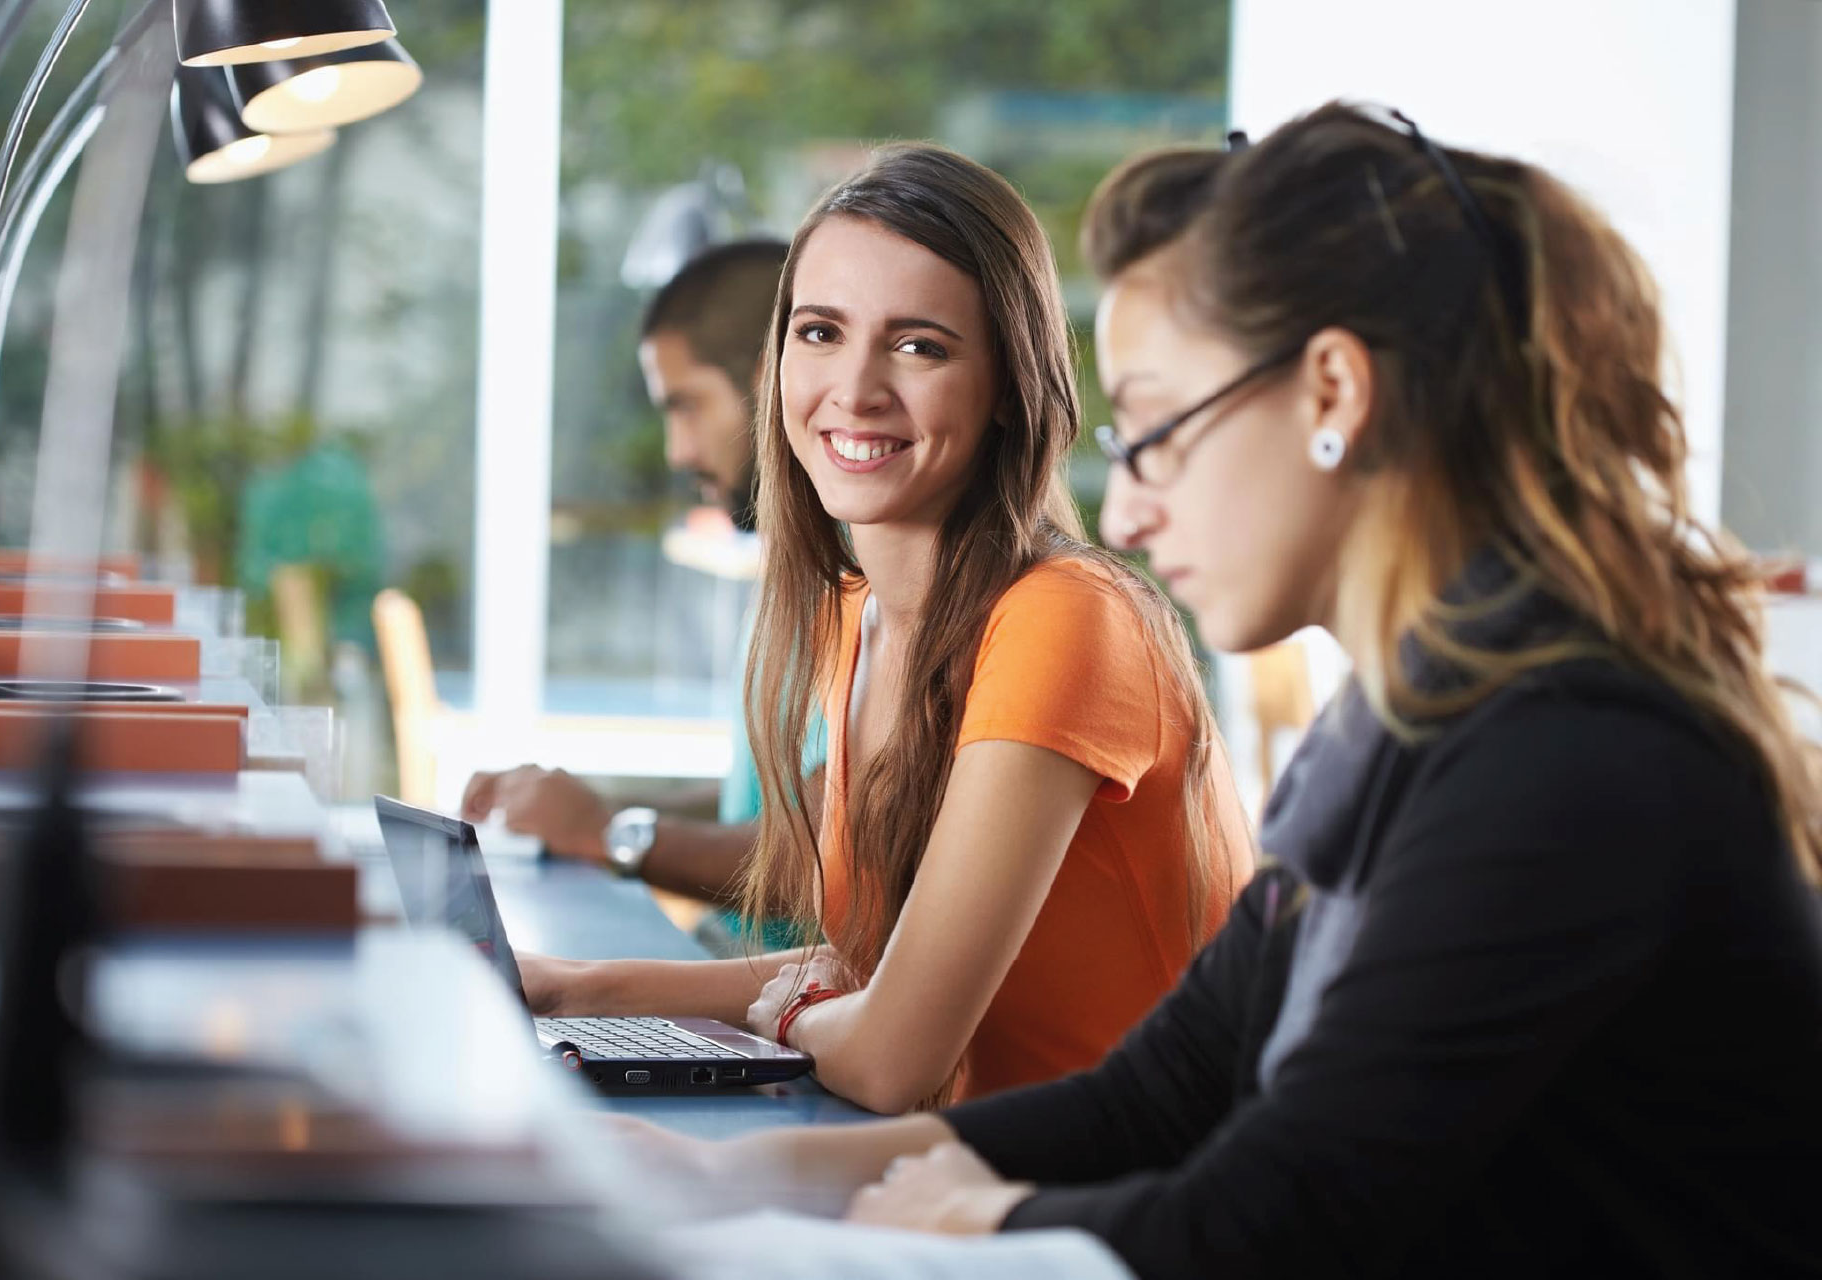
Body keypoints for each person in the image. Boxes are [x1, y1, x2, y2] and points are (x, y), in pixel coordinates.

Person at [621, 106, 1822, 1276]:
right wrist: (717, 1178)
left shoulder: (1567, 757)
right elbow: (1159, 1093)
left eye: (1157, 427)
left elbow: (1287, 1216)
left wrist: (978, 1220)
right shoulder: (1403, 722)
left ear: (1335, 397)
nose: (1131, 508)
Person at [517, 142, 1254, 1114]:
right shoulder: (856, 619)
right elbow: (868, 970)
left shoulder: (1069, 617)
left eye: (920, 346)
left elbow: (886, 1051)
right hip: (958, 1166)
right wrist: (572, 986)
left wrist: (794, 1014)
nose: (855, 388)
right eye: (820, 332)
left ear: (1009, 387)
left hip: (1117, 1214)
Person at [462, 242, 823, 932]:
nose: (676, 451)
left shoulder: (859, 575)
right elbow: (753, 809)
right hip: (741, 975)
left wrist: (609, 832)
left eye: (687, 406)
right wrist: (591, 809)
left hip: (784, 1013)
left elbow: (814, 856)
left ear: (770, 382)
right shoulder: (792, 569)